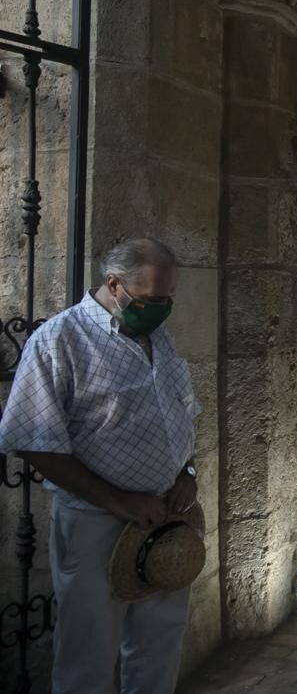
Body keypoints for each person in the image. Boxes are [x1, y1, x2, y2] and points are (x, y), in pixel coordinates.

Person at [0, 238, 201, 693]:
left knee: (159, 646)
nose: (163, 308)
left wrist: (187, 472)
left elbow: (181, 414)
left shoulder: (158, 338)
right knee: (87, 653)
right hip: (97, 522)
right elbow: (33, 441)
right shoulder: (60, 341)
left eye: (169, 298)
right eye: (153, 299)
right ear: (114, 285)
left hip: (166, 517)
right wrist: (120, 501)